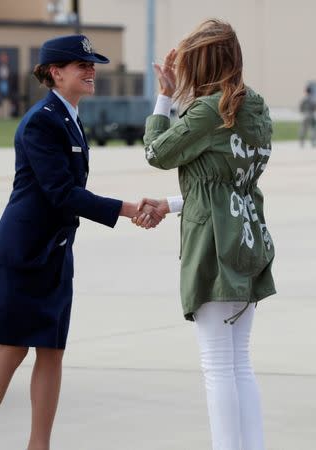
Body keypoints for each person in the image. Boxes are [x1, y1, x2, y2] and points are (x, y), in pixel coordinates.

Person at [0, 35, 164, 450]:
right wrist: (128, 208)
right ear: (55, 72)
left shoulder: (68, 116)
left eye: (92, 65)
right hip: (23, 253)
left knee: (51, 351)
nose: (91, 71)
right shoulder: (41, 120)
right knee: (12, 349)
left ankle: (40, 446)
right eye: (80, 65)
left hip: (54, 253)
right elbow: (61, 192)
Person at [134, 19, 276, 450]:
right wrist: (173, 204)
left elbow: (156, 151)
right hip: (249, 240)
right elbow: (229, 183)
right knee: (239, 364)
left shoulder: (209, 110)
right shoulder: (256, 107)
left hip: (213, 248)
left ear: (201, 63)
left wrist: (163, 94)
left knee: (217, 367)